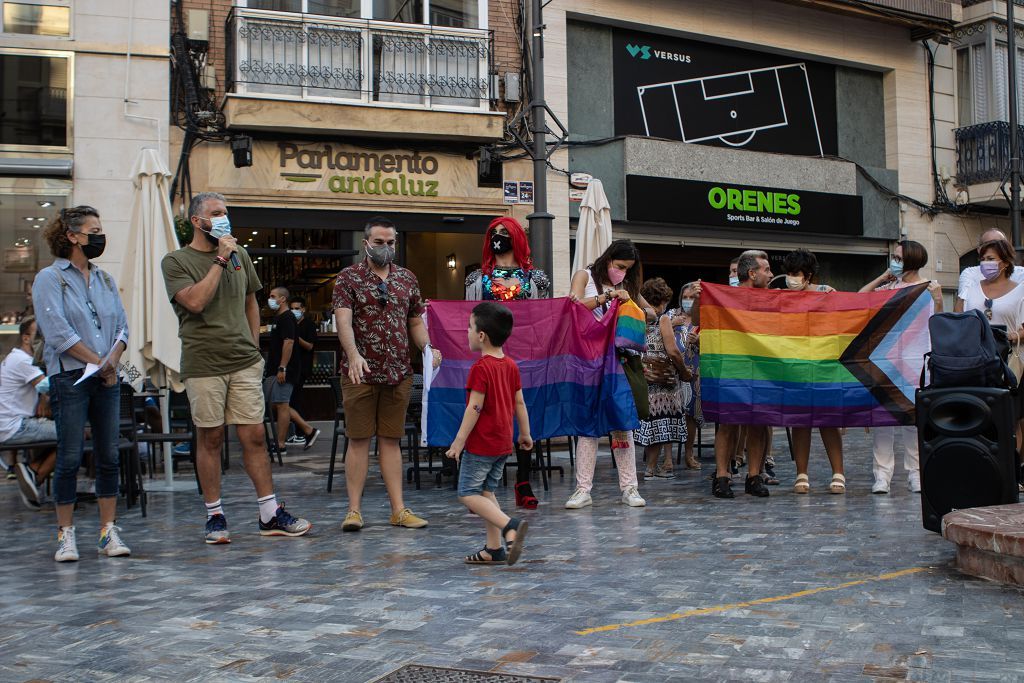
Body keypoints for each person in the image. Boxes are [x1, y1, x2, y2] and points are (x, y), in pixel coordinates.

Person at [162, 192, 311, 545]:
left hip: (243, 360)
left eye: (226, 213)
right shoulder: (176, 261)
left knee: (255, 436)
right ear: (197, 221)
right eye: (216, 214)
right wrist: (219, 259)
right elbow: (195, 303)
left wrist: (253, 347)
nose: (224, 219)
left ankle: (269, 513)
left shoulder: (241, 254)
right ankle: (215, 515)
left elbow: (250, 303)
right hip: (203, 362)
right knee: (210, 437)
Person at [33, 205, 131, 561]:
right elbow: (57, 332)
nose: (100, 237)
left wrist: (113, 360)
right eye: (94, 231)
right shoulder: (50, 278)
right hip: (70, 377)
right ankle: (66, 534)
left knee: (108, 455)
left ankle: (108, 532)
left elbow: (122, 325)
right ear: (72, 236)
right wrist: (100, 362)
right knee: (70, 456)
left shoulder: (104, 279)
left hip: (106, 377)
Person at [333, 216, 441, 532]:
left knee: (392, 441)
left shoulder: (407, 278)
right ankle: (353, 511)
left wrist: (427, 348)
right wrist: (353, 355)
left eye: (391, 242)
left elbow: (415, 321)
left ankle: (399, 510)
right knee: (358, 440)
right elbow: (343, 321)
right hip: (360, 374)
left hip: (399, 372)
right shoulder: (348, 278)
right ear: (366, 243)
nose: (386, 248)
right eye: (379, 242)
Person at [465, 216, 549, 508]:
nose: (498, 237)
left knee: (524, 413)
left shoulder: (536, 279)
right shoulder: (476, 279)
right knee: (493, 414)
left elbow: (543, 316)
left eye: (504, 232)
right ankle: (486, 480)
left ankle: (523, 481)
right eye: (493, 233)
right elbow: (469, 318)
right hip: (491, 358)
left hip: (525, 356)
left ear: (516, 237)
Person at [565, 239, 655, 509]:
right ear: (608, 259)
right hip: (589, 360)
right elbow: (574, 306)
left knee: (622, 424)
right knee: (588, 427)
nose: (622, 272)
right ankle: (583, 489)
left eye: (627, 269)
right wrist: (606, 298)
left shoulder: (627, 286)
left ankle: (630, 487)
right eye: (619, 266)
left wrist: (633, 308)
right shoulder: (584, 276)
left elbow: (650, 312)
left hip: (619, 361)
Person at [445, 302, 532, 565]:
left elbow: (475, 406)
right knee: (485, 491)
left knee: (467, 493)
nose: (467, 332)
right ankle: (494, 549)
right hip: (503, 443)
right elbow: (520, 402)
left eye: (469, 328)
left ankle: (510, 526)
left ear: (481, 335)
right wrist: (525, 433)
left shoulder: (481, 369)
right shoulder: (511, 365)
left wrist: (458, 442)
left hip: (482, 444)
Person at [861, 240, 943, 494]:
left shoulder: (927, 289)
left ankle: (916, 474)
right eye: (894, 257)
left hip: (916, 363)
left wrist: (939, 300)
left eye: (898, 258)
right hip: (885, 362)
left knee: (913, 421)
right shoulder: (887, 288)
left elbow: (938, 323)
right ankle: (882, 476)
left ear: (912, 260)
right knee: (882, 422)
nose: (894, 261)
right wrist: (882, 278)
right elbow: (860, 298)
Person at [778, 248, 846, 494]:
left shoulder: (827, 294)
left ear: (808, 275)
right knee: (800, 422)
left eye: (795, 273)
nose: (790, 278)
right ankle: (801, 473)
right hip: (794, 367)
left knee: (828, 421)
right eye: (788, 273)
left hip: (824, 365)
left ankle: (838, 473)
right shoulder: (781, 298)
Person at [711, 250, 772, 499]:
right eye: (766, 270)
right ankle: (722, 476)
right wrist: (699, 299)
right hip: (733, 364)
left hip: (763, 367)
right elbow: (698, 318)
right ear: (752, 273)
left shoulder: (774, 300)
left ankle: (754, 476)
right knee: (728, 422)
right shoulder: (726, 297)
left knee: (757, 422)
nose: (770, 275)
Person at [634, 277, 689, 480]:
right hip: (663, 381)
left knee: (650, 424)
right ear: (663, 300)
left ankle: (650, 466)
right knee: (660, 425)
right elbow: (673, 350)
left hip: (644, 379)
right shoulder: (664, 319)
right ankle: (651, 468)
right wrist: (684, 371)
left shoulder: (639, 317)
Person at [0, 317, 57, 509]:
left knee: (70, 433)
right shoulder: (22, 360)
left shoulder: (14, 357)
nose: (44, 339)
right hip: (16, 426)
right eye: (38, 335)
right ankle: (34, 474)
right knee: (76, 435)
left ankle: (32, 473)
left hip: (10, 425)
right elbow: (46, 385)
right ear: (26, 338)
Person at [263, 286, 319, 455]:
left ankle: (281, 444)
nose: (270, 299)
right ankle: (309, 431)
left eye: (273, 296)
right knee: (278, 404)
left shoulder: (287, 318)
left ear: (282, 299)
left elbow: (289, 342)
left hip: (285, 369)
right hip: (277, 368)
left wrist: (282, 367)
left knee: (281, 404)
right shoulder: (279, 318)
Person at [674, 282, 703, 470]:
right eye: (685, 297)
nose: (688, 301)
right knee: (669, 411)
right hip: (672, 371)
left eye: (692, 297)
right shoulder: (672, 316)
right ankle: (667, 455)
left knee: (690, 414)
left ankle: (689, 453)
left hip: (694, 373)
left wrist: (700, 341)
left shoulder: (703, 320)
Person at [957, 229, 1024, 311]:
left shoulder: (1021, 274)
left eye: (999, 244)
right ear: (979, 250)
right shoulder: (969, 274)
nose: (992, 248)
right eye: (987, 244)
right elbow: (961, 309)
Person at [285, 296, 319, 447]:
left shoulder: (309, 325)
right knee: (291, 401)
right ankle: (296, 433)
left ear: (303, 309)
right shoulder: (290, 323)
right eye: (291, 308)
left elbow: (310, 346)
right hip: (292, 367)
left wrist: (294, 338)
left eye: (297, 308)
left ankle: (301, 433)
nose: (294, 311)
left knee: (295, 401)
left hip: (303, 368)